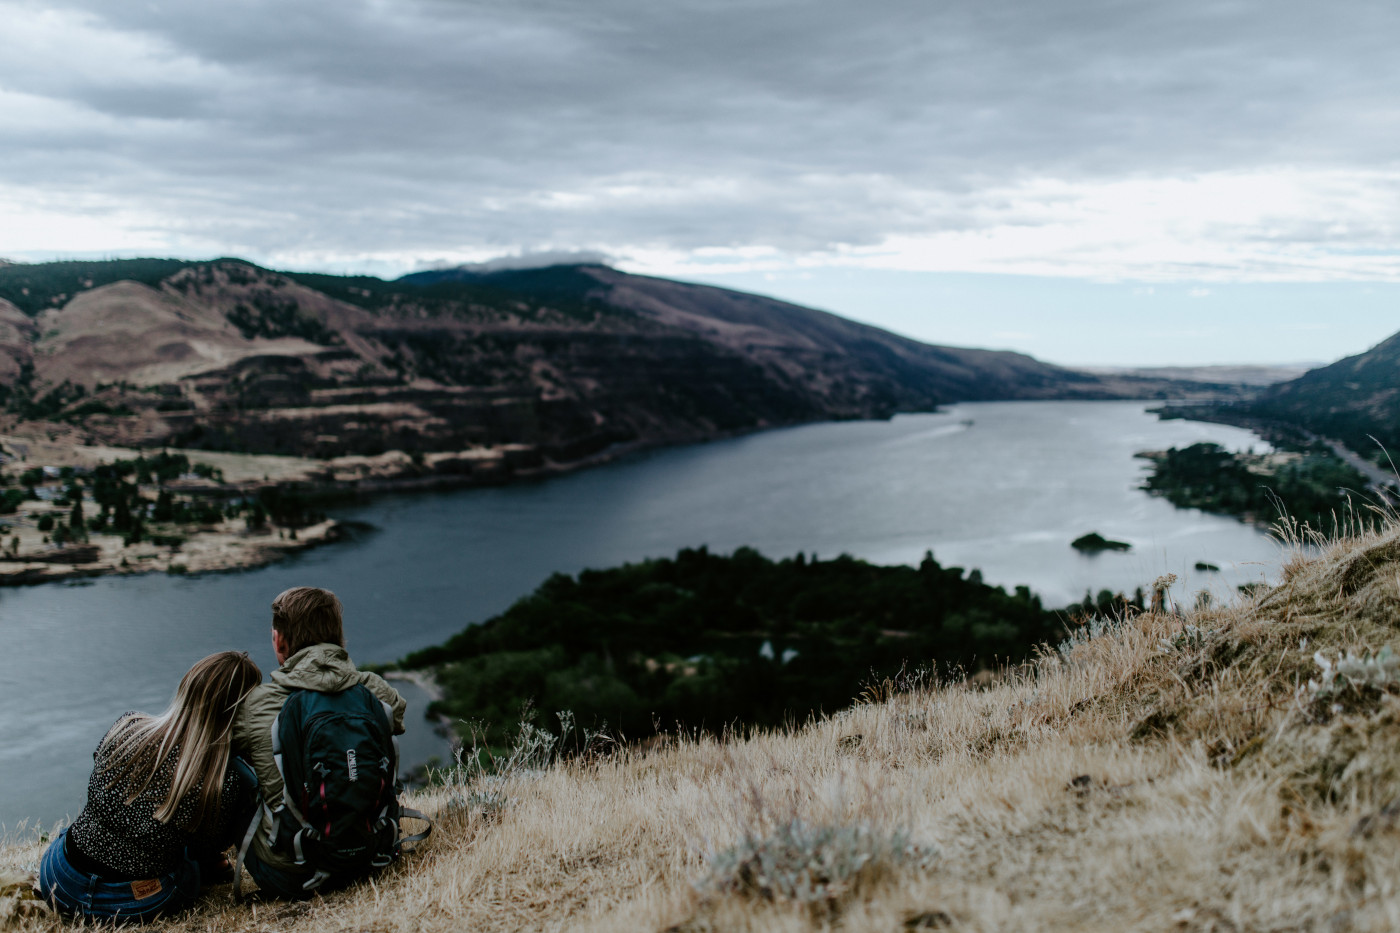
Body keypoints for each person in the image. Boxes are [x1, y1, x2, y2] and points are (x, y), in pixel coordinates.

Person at [39, 651, 263, 923]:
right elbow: (206, 848)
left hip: (59, 879)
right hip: (128, 901)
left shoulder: (127, 724)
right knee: (189, 867)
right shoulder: (220, 782)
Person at [232, 586, 406, 899]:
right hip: (373, 857)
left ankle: (205, 867)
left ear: (279, 640)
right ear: (339, 638)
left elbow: (225, 746)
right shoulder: (373, 690)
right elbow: (399, 717)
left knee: (233, 771)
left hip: (291, 875)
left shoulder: (256, 705)